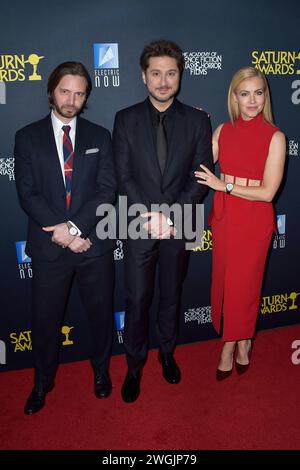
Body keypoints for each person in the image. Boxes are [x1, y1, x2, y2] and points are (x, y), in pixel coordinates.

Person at [113, 39, 213, 402]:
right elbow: (124, 176)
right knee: (138, 298)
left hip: (179, 222)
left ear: (180, 76)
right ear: (143, 76)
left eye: (171, 73)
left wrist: (170, 217)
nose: (163, 81)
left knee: (171, 295)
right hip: (138, 224)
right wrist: (151, 216)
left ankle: (167, 354)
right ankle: (134, 364)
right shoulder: (124, 119)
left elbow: (200, 175)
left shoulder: (198, 120)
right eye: (156, 73)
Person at [14, 61, 117, 414]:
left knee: (101, 316)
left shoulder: (100, 136)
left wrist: (76, 230)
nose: (71, 99)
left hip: (94, 246)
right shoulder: (26, 137)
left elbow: (106, 190)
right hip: (49, 249)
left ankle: (101, 372)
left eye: (79, 92)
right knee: (45, 321)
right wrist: (65, 233)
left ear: (86, 96)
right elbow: (28, 195)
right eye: (65, 91)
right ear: (51, 92)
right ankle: (42, 381)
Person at [195, 66, 286, 380]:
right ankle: (243, 339)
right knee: (224, 281)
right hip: (225, 218)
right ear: (234, 96)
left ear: (266, 96)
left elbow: (268, 192)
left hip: (254, 221)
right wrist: (195, 126)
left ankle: (229, 346)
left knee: (245, 286)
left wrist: (226, 186)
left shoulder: (275, 137)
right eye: (244, 93)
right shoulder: (223, 130)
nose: (252, 101)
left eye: (258, 93)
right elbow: (200, 163)